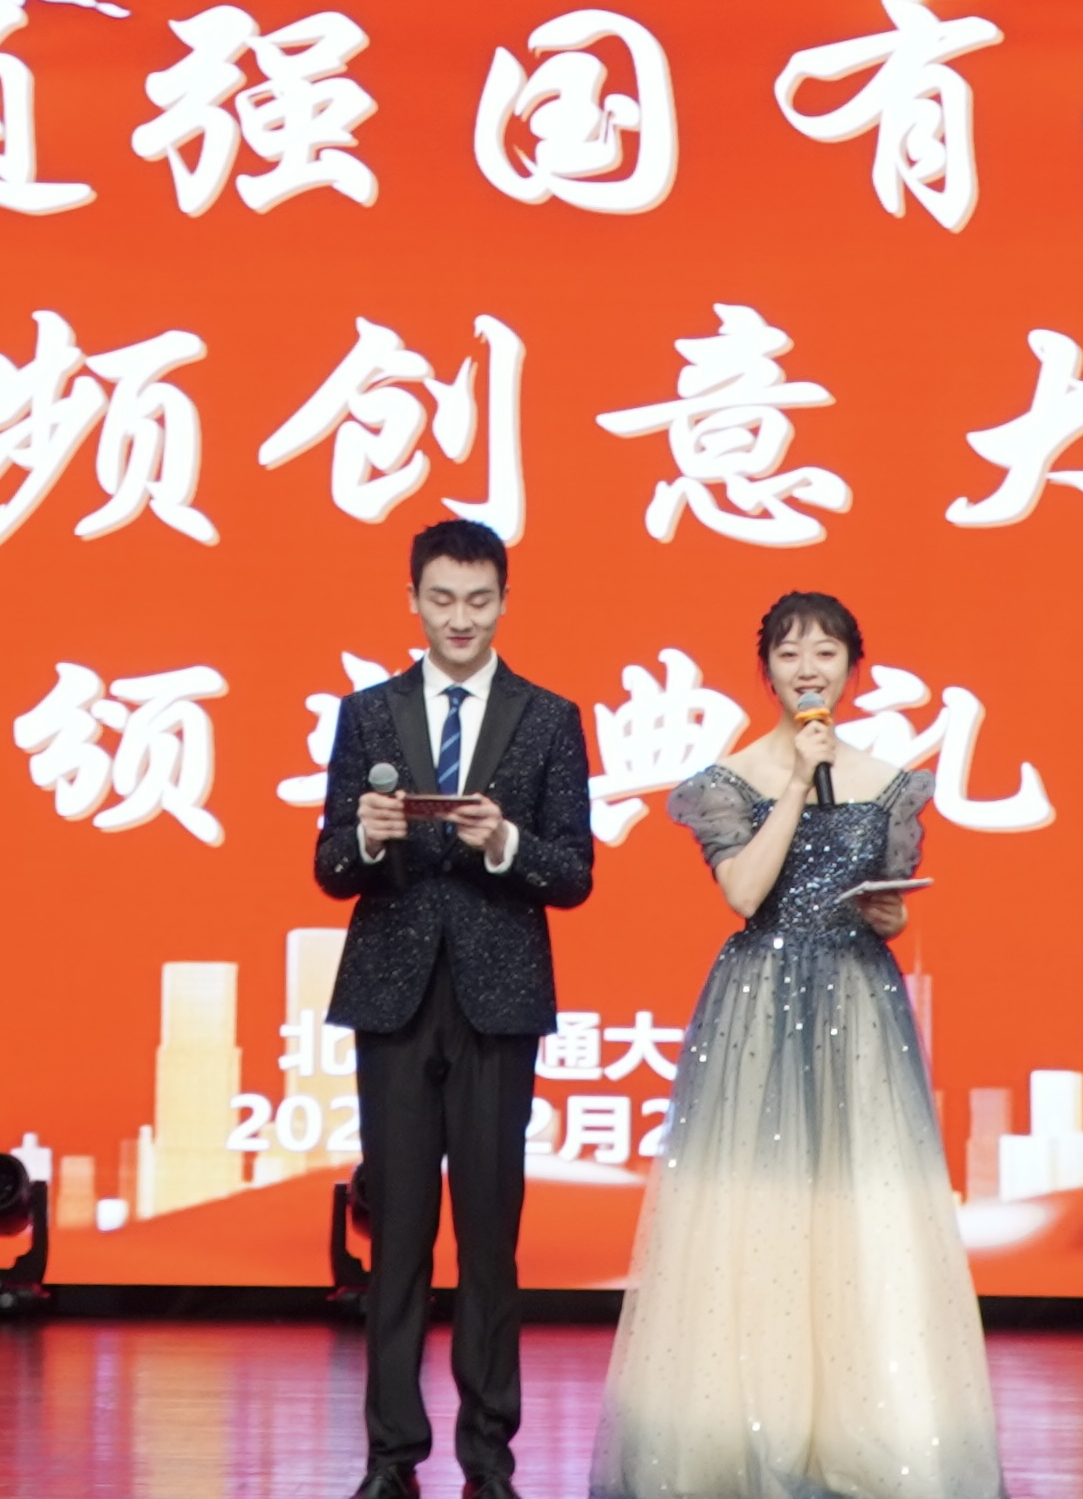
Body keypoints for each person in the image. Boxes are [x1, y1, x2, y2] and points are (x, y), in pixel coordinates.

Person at [591, 590, 1002, 1499]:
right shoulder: (730, 779)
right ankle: (745, 1429)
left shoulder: (890, 783)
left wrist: (888, 917)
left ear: (854, 666)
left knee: (858, 1212)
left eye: (826, 652)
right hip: (760, 1006)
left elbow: (884, 900)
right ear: (766, 669)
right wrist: (793, 782)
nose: (808, 669)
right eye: (789, 653)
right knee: (753, 1217)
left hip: (858, 1004)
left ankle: (861, 1428)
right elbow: (745, 892)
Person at [317, 516, 600, 1499]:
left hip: (498, 1001)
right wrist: (366, 835)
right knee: (395, 1237)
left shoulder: (549, 717)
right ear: (413, 600)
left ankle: (489, 1461)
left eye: (479, 599)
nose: (460, 618)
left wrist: (505, 842)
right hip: (393, 999)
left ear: (505, 601)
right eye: (442, 598)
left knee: (489, 1238)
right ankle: (391, 1459)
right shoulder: (368, 713)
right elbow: (330, 867)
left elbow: (575, 873)